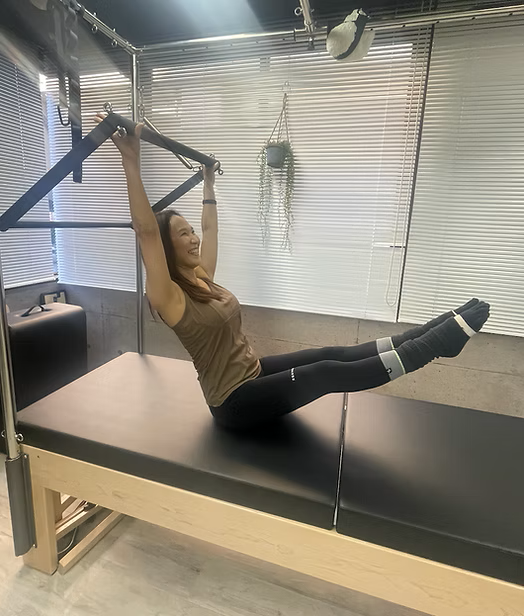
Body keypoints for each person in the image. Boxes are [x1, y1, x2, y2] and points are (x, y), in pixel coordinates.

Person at [96, 115, 490, 431]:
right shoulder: (169, 297)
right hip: (232, 402)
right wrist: (130, 160)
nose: (194, 238)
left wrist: (208, 182)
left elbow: (211, 228)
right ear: (167, 248)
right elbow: (146, 230)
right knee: (325, 373)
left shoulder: (203, 278)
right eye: (183, 234)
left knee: (327, 354)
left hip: (252, 373)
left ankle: (420, 334)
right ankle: (430, 347)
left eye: (190, 231)